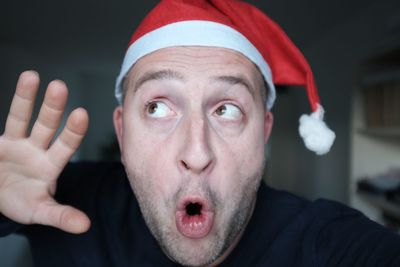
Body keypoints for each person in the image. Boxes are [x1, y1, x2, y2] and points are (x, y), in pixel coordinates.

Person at [0, 0, 399, 266]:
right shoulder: (58, 196)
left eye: (227, 109)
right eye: (157, 107)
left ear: (263, 134)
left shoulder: (325, 241)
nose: (196, 151)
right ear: (122, 134)